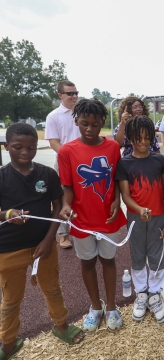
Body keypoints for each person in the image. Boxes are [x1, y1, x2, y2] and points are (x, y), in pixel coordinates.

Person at [0, 123, 84, 359]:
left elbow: (58, 206)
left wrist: (50, 240)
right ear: (7, 147)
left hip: (43, 245)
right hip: (8, 249)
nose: (25, 152)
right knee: (10, 299)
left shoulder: (47, 174)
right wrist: (7, 214)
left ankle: (61, 325)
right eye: (18, 147)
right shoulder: (2, 176)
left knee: (52, 289)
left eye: (31, 147)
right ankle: (7, 341)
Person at [58, 99, 127, 332]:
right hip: (81, 220)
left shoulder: (112, 147)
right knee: (87, 262)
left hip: (108, 218)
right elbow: (67, 186)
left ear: (102, 123)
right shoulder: (67, 151)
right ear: (76, 121)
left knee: (108, 260)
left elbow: (117, 179)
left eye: (95, 124)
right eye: (84, 123)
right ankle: (95, 307)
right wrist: (66, 205)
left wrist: (117, 199)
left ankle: (111, 307)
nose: (89, 129)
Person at [116, 116, 164, 323]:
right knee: (138, 255)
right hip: (135, 218)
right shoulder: (124, 163)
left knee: (157, 255)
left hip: (158, 217)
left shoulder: (160, 160)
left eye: (148, 137)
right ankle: (141, 293)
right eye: (138, 137)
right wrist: (139, 209)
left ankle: (155, 293)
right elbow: (125, 196)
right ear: (130, 137)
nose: (143, 142)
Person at [45, 80, 80, 249]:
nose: (74, 96)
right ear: (60, 95)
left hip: (83, 163)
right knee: (61, 197)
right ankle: (63, 234)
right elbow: (53, 143)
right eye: (70, 93)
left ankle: (82, 229)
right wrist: (70, 158)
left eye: (76, 93)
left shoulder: (82, 113)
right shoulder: (54, 116)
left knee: (82, 195)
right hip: (64, 162)